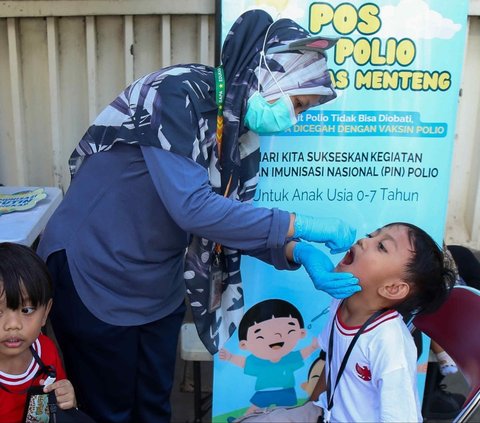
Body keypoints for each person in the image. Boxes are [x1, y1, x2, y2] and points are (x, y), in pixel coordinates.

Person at [37, 9, 362, 423]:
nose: (293, 119)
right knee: (108, 409)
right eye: (296, 103)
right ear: (265, 72)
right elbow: (192, 208)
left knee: (155, 405)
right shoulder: (176, 94)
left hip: (155, 284)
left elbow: (231, 221)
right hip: (95, 270)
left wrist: (296, 251)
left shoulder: (237, 136)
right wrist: (299, 223)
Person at [232, 222, 455, 422]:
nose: (364, 241)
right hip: (325, 413)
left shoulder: (388, 341)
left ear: (393, 288)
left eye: (381, 247)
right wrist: (309, 406)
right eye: (371, 235)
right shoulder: (340, 303)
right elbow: (333, 363)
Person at [0, 242, 76, 422]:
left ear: (46, 312)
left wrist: (66, 398)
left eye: (26, 310)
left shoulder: (46, 351)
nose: (13, 325)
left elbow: (55, 404)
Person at [219, 299, 318, 416]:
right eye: (260, 335)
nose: (276, 336)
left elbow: (301, 355)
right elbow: (245, 363)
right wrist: (230, 357)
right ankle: (243, 419)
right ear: (244, 345)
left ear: (301, 333)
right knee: (253, 410)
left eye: (288, 329)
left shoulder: (290, 358)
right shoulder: (256, 361)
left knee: (289, 412)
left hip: (286, 390)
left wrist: (312, 347)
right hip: (264, 392)